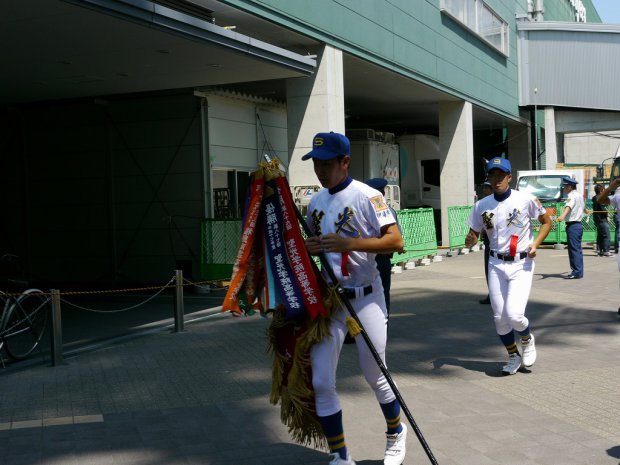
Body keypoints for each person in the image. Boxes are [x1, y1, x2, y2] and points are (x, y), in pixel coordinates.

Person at [302, 132, 407, 465]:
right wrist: (307, 248)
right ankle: (340, 455)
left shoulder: (369, 195)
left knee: (375, 374)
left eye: (328, 164)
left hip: (366, 296)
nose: (321, 170)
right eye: (317, 163)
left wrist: (350, 244)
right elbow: (313, 248)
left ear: (345, 162)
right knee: (320, 379)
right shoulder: (316, 202)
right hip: (331, 300)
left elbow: (396, 241)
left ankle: (395, 433)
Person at [465, 157, 552, 375]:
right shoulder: (482, 206)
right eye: (493, 175)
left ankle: (527, 339)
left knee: (514, 315)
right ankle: (513, 355)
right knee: (499, 318)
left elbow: (547, 222)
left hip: (521, 263)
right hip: (495, 263)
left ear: (510, 177)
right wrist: (471, 239)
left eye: (501, 175)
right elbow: (474, 232)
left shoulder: (526, 200)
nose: (497, 180)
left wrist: (536, 243)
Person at [363, 177, 402, 318]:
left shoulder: (360, 210)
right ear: (383, 193)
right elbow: (397, 239)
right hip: (381, 258)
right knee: (383, 291)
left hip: (362, 259)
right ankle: (382, 323)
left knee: (362, 294)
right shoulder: (389, 211)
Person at [556, 177, 585, 279]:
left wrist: (562, 216)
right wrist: (585, 211)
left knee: (574, 250)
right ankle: (579, 272)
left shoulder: (571, 196)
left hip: (573, 226)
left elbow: (569, 206)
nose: (564, 188)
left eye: (565, 186)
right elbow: (583, 208)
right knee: (577, 250)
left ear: (569, 187)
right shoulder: (579, 195)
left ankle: (576, 272)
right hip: (579, 225)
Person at [479, 180, 493, 305]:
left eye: (486, 187)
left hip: (492, 241)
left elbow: (488, 225)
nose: (484, 190)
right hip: (491, 239)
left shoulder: (488, 204)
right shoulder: (486, 203)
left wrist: (483, 229)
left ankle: (493, 295)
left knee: (490, 269)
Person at [592, 184, 611, 257]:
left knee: (600, 235)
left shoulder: (594, 198)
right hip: (602, 219)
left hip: (596, 219)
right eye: (603, 189)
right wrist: (608, 216)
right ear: (601, 190)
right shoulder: (600, 198)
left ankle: (600, 251)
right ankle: (606, 251)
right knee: (606, 235)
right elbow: (604, 209)